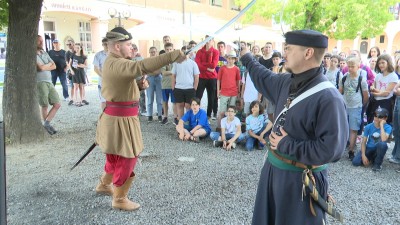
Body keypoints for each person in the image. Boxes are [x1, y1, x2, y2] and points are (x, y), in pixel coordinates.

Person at [239, 30, 348, 224]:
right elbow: (262, 76)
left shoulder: (329, 98)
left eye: (288, 49)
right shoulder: (285, 81)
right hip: (272, 172)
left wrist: (287, 144)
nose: (284, 53)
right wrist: (247, 57)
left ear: (307, 53)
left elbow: (331, 150)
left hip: (299, 183)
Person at [95, 27, 185, 211]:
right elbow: (140, 66)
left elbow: (119, 88)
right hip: (120, 119)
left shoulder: (113, 61)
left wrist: (137, 87)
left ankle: (104, 185)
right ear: (117, 46)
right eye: (128, 44)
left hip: (116, 117)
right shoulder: (117, 63)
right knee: (128, 157)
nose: (131, 48)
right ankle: (119, 199)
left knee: (114, 156)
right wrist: (172, 55)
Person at [339, 56, 369, 160]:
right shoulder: (344, 77)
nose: (350, 68)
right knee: (343, 128)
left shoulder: (362, 80)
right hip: (344, 106)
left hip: (356, 107)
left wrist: (360, 105)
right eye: (349, 66)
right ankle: (340, 149)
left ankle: (351, 150)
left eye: (353, 66)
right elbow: (340, 91)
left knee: (353, 129)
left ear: (358, 66)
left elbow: (366, 96)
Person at [352, 107, 392, 171]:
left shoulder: (388, 127)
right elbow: (364, 142)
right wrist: (363, 155)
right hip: (369, 148)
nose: (377, 118)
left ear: (385, 118)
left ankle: (377, 164)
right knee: (355, 162)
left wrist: (381, 125)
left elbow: (384, 139)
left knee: (383, 144)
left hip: (378, 148)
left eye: (380, 116)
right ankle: (371, 159)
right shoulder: (368, 126)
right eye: (375, 115)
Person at [36, 35, 61, 135]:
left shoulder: (44, 52)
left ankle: (46, 123)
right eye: (39, 41)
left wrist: (44, 66)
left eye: (42, 41)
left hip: (49, 82)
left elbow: (54, 65)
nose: (42, 43)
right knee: (44, 105)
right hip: (40, 82)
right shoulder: (33, 54)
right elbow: (40, 68)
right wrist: (47, 66)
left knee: (57, 104)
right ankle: (47, 126)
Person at [171, 46, 200, 121]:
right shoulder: (176, 63)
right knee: (179, 106)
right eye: (184, 51)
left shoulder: (193, 63)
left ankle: (189, 124)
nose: (185, 52)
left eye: (187, 51)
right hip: (178, 88)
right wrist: (173, 87)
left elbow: (196, 76)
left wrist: (195, 88)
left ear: (190, 52)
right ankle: (181, 125)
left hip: (190, 89)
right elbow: (173, 76)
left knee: (188, 106)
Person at [368, 54, 398, 124]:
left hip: (385, 102)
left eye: (383, 63)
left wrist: (374, 93)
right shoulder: (378, 75)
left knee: (382, 123)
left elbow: (386, 93)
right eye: (379, 63)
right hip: (375, 101)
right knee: (373, 123)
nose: (380, 65)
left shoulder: (393, 76)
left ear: (388, 62)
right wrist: (372, 87)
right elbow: (373, 85)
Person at [195, 35, 219, 120]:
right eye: (207, 40)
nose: (208, 42)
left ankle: (209, 115)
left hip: (212, 78)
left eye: (210, 40)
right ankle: (196, 114)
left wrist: (204, 65)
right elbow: (197, 64)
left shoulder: (215, 52)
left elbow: (214, 65)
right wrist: (208, 68)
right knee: (198, 96)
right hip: (201, 77)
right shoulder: (199, 52)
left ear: (213, 41)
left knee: (211, 97)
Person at [216, 50, 241, 131]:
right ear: (227, 59)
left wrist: (238, 92)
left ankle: (229, 128)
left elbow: (238, 81)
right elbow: (218, 80)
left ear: (235, 60)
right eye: (229, 58)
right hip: (224, 92)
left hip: (233, 93)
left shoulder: (236, 69)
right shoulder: (222, 68)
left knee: (231, 112)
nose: (230, 60)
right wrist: (218, 91)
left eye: (232, 59)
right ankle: (219, 127)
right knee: (222, 112)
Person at [160, 42, 176, 124]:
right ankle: (165, 117)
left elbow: (177, 72)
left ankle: (175, 117)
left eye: (170, 49)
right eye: (167, 49)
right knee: (165, 102)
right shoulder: (163, 60)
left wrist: (168, 71)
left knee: (175, 103)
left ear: (173, 49)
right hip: (165, 85)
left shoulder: (176, 60)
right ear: (165, 50)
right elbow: (163, 72)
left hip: (174, 84)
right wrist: (173, 72)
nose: (169, 51)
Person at [146, 47, 163, 122]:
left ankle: (160, 115)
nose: (153, 53)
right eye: (151, 52)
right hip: (150, 79)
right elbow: (146, 72)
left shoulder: (159, 61)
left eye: (154, 52)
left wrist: (153, 72)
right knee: (150, 98)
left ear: (157, 52)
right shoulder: (147, 61)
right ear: (149, 53)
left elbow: (160, 71)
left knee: (159, 99)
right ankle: (150, 115)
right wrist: (155, 72)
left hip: (159, 79)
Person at [93, 38, 108, 110]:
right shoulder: (98, 55)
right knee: (103, 100)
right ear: (102, 45)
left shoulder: (114, 55)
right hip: (103, 81)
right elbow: (96, 68)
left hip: (113, 81)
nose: (107, 46)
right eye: (105, 44)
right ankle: (104, 117)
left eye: (108, 44)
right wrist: (104, 76)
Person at [65, 39, 75, 106]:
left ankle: (80, 99)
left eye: (70, 44)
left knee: (80, 85)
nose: (68, 45)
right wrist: (70, 70)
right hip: (71, 70)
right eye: (67, 44)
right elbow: (67, 63)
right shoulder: (67, 53)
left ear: (73, 44)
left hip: (78, 70)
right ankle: (72, 99)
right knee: (72, 86)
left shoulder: (76, 51)